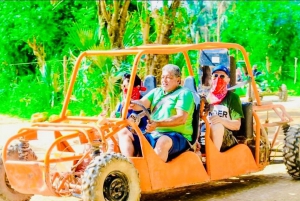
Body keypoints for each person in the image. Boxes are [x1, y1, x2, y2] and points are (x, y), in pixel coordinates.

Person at [117, 64, 195, 162]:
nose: (164, 80)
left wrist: (158, 123)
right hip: (154, 134)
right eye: (162, 77)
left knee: (162, 142)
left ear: (178, 80)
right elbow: (141, 104)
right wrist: (130, 102)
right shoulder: (156, 92)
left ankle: (155, 174)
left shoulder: (184, 94)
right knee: (123, 132)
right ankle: (129, 167)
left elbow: (181, 118)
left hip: (177, 136)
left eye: (168, 78)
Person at [205, 64, 244, 151]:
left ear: (228, 80)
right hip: (206, 134)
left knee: (217, 126)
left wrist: (221, 120)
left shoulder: (232, 97)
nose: (218, 78)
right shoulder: (205, 98)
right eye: (215, 75)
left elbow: (237, 125)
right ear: (211, 79)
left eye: (222, 76)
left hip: (227, 138)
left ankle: (215, 159)